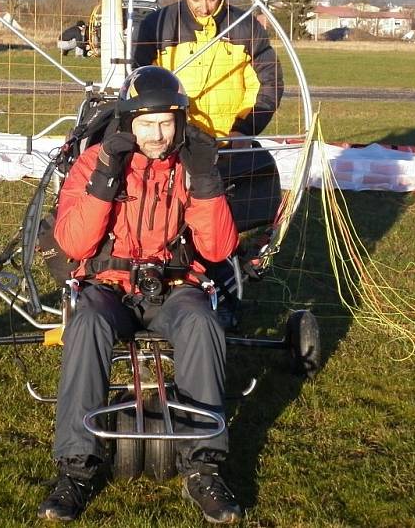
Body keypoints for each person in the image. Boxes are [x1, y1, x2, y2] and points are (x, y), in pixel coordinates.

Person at [37, 66, 242, 524]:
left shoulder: (191, 166)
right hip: (109, 288)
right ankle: (76, 469)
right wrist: (106, 176)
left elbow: (218, 249)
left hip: (173, 287)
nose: (157, 134)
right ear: (127, 122)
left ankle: (203, 468)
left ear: (181, 122)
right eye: (146, 123)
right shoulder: (95, 162)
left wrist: (206, 183)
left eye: (167, 122)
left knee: (203, 322)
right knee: (86, 323)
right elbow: (74, 245)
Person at [134, 0, 283, 145]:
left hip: (229, 145)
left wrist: (245, 129)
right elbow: (139, 84)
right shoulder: (157, 26)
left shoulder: (246, 27)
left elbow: (269, 82)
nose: (204, 8)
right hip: (176, 145)